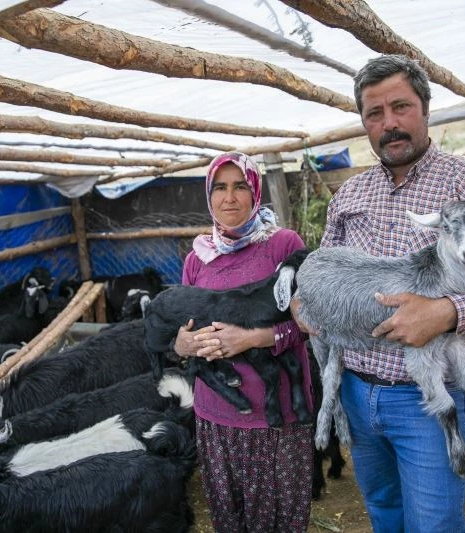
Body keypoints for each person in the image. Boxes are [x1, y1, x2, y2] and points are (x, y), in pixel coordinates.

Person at [295, 55, 465, 532]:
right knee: (384, 513)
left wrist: (446, 311)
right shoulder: (349, 195)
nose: (389, 123)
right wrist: (303, 302)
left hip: (427, 396)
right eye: (374, 114)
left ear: (425, 107)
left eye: (400, 106)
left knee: (435, 523)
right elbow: (327, 265)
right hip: (359, 393)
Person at [172, 151, 315, 532]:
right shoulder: (197, 258)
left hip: (276, 417)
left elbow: (311, 324)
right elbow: (180, 330)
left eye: (239, 187)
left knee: (277, 521)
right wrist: (184, 345)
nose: (229, 198)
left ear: (255, 193)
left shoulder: (283, 245)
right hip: (215, 415)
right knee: (229, 518)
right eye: (220, 187)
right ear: (208, 194)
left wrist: (251, 338)